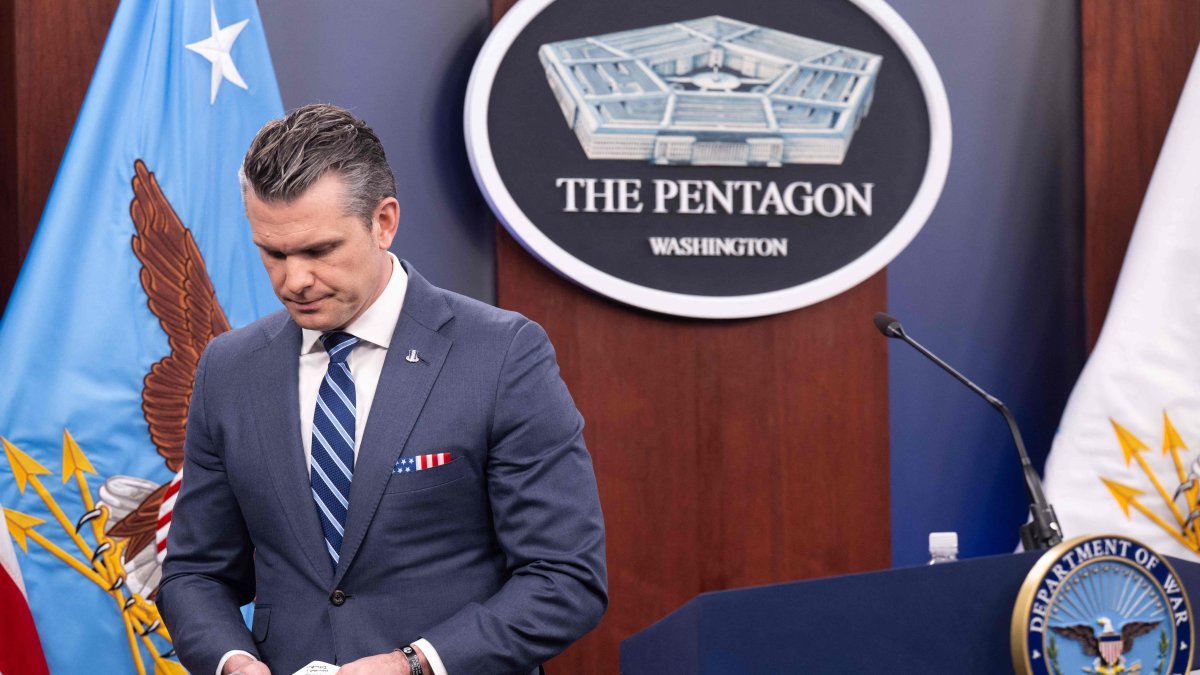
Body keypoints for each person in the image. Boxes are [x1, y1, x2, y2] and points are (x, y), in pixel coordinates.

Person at [157, 104, 607, 675]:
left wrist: (414, 665)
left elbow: (565, 578)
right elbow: (197, 572)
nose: (294, 280)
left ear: (383, 222)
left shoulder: (501, 356)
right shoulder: (229, 368)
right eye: (273, 253)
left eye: (319, 251)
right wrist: (234, 662)